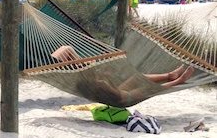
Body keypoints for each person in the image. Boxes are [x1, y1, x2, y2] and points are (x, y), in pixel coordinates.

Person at [51, 45, 194, 103]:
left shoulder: (82, 76)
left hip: (116, 91)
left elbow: (75, 59)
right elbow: (81, 63)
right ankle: (178, 80)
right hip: (122, 98)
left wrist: (68, 50)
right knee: (148, 88)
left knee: (139, 77)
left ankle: (170, 76)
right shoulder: (86, 78)